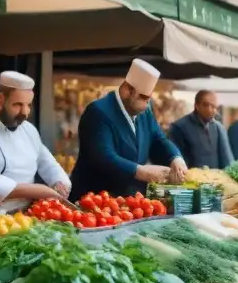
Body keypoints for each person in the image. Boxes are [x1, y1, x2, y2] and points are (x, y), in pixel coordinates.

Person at [0, 71, 71, 215]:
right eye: (17, 105)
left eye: (28, 105)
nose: (25, 112)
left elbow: (46, 162)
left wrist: (59, 182)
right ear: (0, 100)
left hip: (24, 216)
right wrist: (40, 191)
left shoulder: (29, 130)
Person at [70, 59, 187, 199]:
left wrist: (175, 158)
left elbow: (158, 139)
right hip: (94, 199)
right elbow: (103, 156)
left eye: (149, 99)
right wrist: (141, 171)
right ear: (126, 90)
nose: (146, 105)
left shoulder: (145, 111)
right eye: (143, 98)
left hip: (129, 200)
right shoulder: (98, 111)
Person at [167, 89, 233, 170]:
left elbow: (227, 159)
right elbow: (174, 158)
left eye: (214, 106)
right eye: (207, 105)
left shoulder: (218, 127)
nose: (212, 110)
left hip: (216, 179)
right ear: (197, 106)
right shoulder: (179, 127)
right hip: (191, 179)